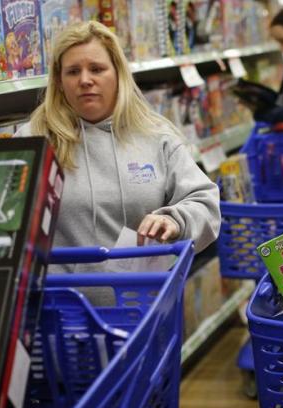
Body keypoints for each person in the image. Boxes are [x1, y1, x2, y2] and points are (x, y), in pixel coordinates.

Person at [15, 21, 220, 273]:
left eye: (97, 69)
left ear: (118, 73)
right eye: (73, 71)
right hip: (61, 305)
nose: (85, 80)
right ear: (59, 81)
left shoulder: (155, 134)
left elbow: (205, 203)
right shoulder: (33, 140)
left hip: (143, 302)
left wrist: (174, 221)